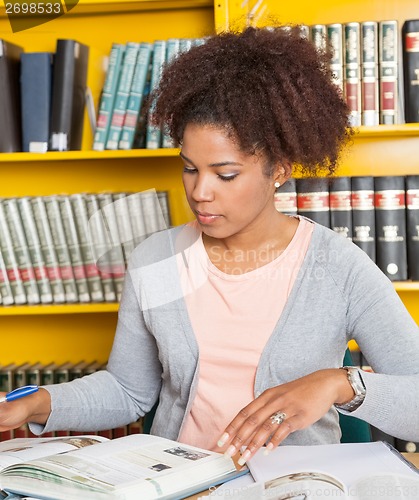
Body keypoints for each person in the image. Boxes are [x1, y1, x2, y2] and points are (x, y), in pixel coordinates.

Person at [1, 26, 418, 468]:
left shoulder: (338, 268)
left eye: (225, 174)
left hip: (292, 486)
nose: (200, 192)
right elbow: (128, 390)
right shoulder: (159, 260)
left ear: (279, 168)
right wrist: (33, 403)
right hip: (176, 482)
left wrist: (340, 383)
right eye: (189, 169)